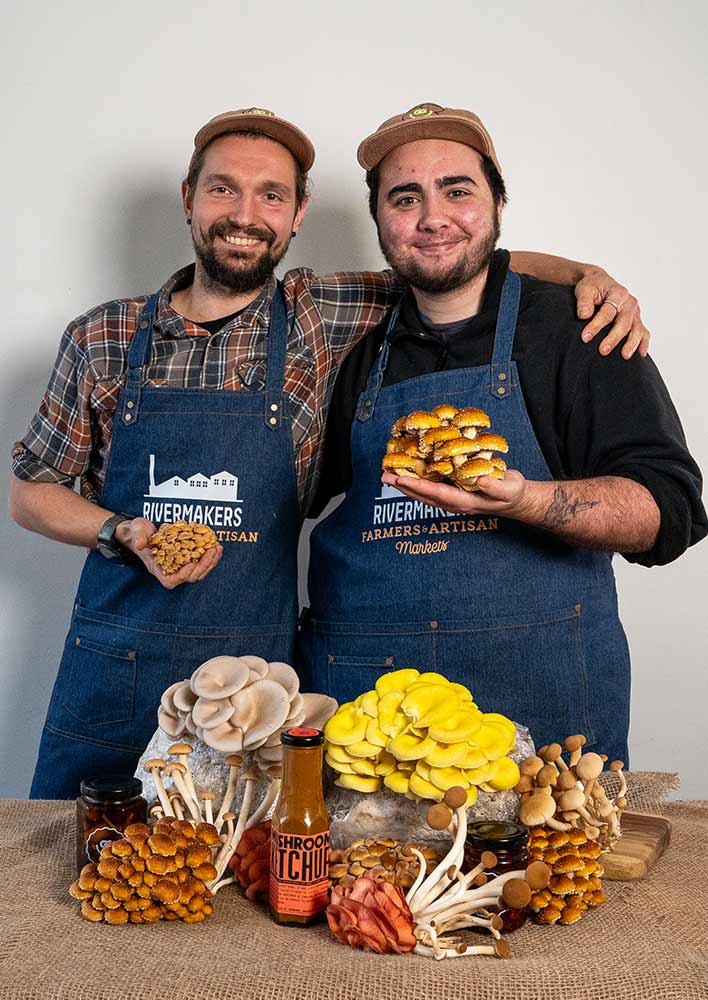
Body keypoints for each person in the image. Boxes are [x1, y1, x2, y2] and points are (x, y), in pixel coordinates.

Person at [10, 107, 648, 798]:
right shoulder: (103, 334)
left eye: (271, 195)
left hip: (259, 683)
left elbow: (452, 255)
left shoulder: (324, 311)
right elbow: (32, 490)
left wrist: (588, 274)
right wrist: (123, 530)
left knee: (235, 881)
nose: (245, 214)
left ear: (299, 212)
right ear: (189, 197)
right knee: (69, 872)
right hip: (114, 666)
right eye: (223, 188)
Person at [299, 103, 707, 764]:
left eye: (457, 190)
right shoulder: (341, 343)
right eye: (406, 198)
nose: (433, 217)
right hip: (368, 732)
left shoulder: (581, 330)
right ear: (378, 221)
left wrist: (530, 502)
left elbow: (668, 514)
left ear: (496, 202)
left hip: (545, 728)